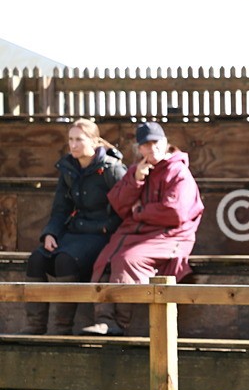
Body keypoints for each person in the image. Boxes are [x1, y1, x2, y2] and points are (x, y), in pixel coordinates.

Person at [80, 122, 204, 336]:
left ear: (165, 143)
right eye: (146, 145)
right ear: (140, 148)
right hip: (137, 234)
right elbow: (119, 203)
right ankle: (104, 319)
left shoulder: (179, 172)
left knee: (127, 260)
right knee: (105, 258)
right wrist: (136, 180)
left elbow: (175, 213)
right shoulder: (137, 169)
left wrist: (140, 212)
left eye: (156, 142)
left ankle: (120, 323)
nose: (152, 148)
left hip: (171, 236)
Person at [22, 119, 127, 334]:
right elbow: (61, 208)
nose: (73, 145)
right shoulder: (68, 168)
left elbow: (125, 208)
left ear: (95, 142)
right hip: (75, 232)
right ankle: (35, 327)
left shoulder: (112, 169)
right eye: (70, 139)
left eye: (79, 139)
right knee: (36, 259)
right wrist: (50, 234)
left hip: (101, 235)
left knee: (65, 260)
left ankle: (62, 328)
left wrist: (106, 227)